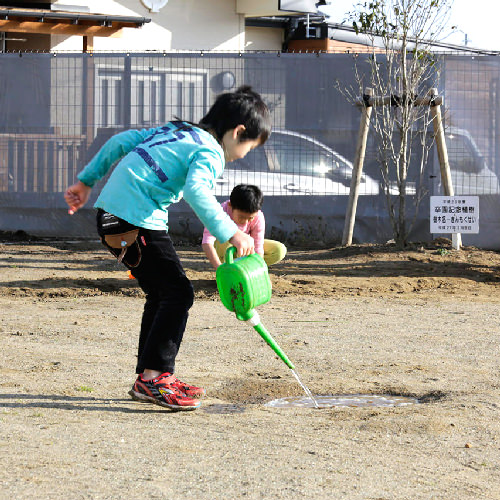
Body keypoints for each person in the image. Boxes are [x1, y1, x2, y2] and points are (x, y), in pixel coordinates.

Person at [64, 85, 271, 411]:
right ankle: (155, 378)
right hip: (134, 220)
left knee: (162, 293)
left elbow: (120, 142)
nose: (245, 154)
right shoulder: (211, 152)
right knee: (178, 293)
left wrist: (86, 181)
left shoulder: (176, 130)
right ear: (238, 132)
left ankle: (148, 377)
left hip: (112, 218)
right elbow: (198, 192)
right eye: (250, 146)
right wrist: (233, 233)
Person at [202, 184, 286, 270]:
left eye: (250, 218)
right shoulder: (219, 213)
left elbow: (258, 247)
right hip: (223, 251)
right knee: (223, 237)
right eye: (241, 217)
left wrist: (258, 270)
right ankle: (227, 270)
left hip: (243, 250)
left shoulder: (258, 217)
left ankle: (243, 270)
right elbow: (207, 242)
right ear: (230, 205)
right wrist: (219, 269)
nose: (245, 221)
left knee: (279, 250)